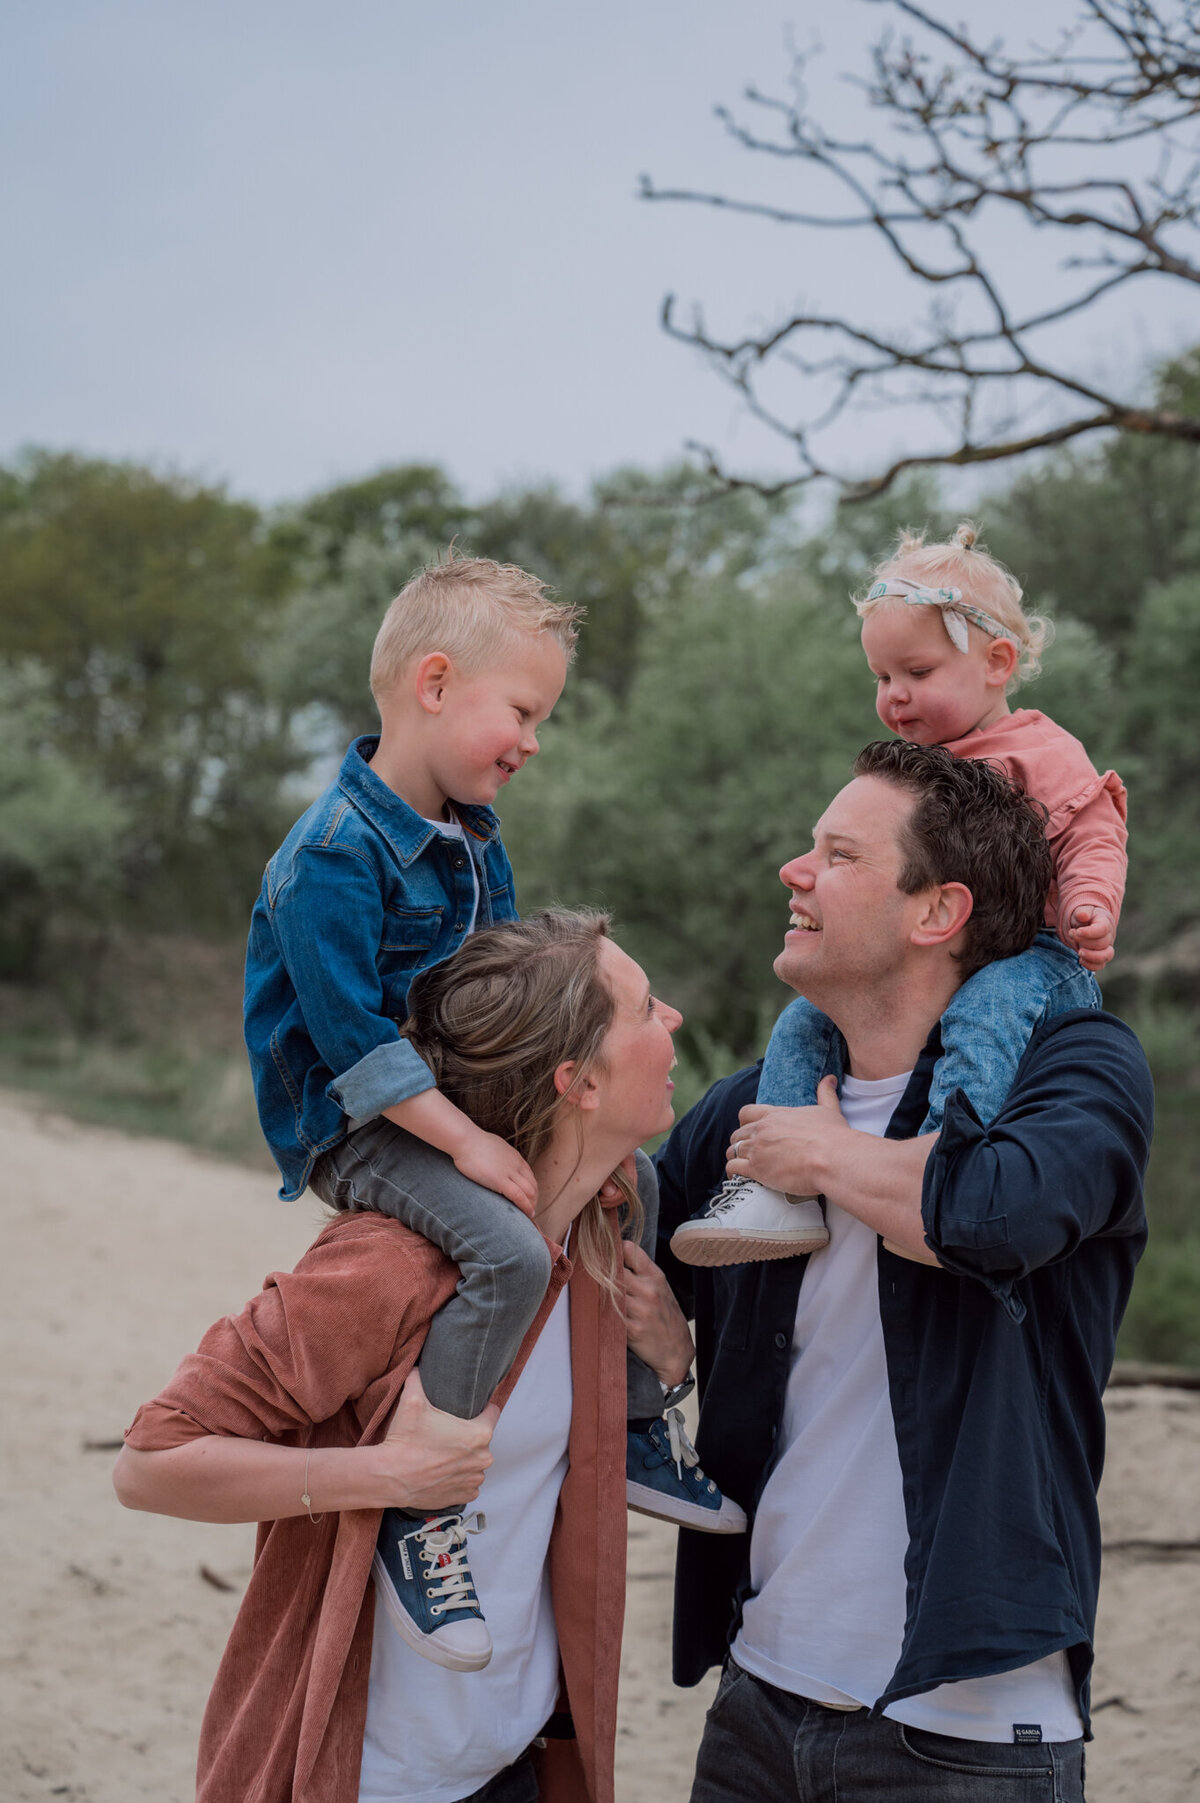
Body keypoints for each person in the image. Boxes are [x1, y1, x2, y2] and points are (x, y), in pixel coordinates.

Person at [244, 554, 741, 1668]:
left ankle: (636, 1431)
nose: (531, 740)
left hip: (461, 1103)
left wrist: (569, 1110)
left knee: (638, 1177)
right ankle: (426, 1511)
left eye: (541, 718)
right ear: (433, 684)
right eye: (522, 711)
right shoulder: (329, 855)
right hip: (356, 1125)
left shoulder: (476, 837)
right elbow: (354, 1046)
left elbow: (513, 986)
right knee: (510, 1253)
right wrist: (474, 1143)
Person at [654, 743, 1152, 1803]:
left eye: (836, 855)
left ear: (938, 912)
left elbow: (995, 1212)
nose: (793, 871)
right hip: (757, 1705)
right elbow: (618, 1230)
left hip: (965, 1730)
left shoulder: (1077, 1072)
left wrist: (823, 1161)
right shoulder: (762, 1095)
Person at [115, 910, 700, 1803]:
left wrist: (673, 1358)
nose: (675, 1022)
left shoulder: (599, 1251)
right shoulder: (390, 1265)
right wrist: (387, 1474)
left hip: (517, 1765)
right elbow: (150, 1464)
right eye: (647, 1006)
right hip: (365, 1776)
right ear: (577, 1081)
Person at [672, 522, 1129, 1266]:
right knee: (799, 1020)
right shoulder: (913, 772)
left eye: (915, 672)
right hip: (957, 961)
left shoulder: (1040, 752)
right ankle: (773, 1185)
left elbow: (1095, 830)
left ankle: (946, 1150)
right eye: (882, 679)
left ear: (997, 663)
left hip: (1037, 955)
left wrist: (1089, 904)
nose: (895, 697)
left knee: (988, 1008)